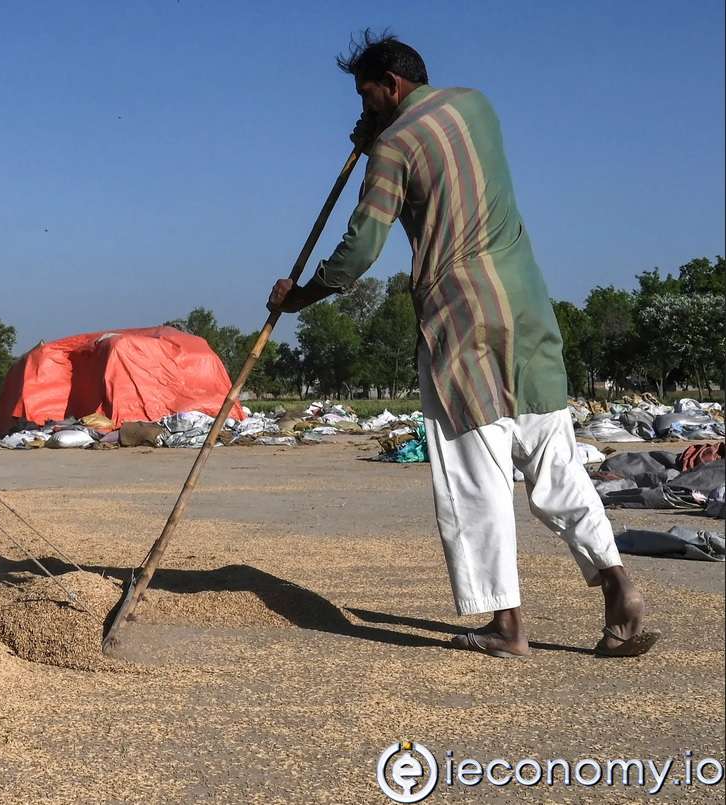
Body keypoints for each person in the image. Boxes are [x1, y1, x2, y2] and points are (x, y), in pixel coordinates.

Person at [268, 32, 658, 658]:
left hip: (461, 322)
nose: (363, 109)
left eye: (366, 96)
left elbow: (361, 248)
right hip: (526, 310)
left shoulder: (392, 146)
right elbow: (439, 163)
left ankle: (507, 625)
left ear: (390, 85)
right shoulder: (477, 105)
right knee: (555, 463)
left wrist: (302, 296)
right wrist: (377, 136)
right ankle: (616, 580)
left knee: (475, 477)